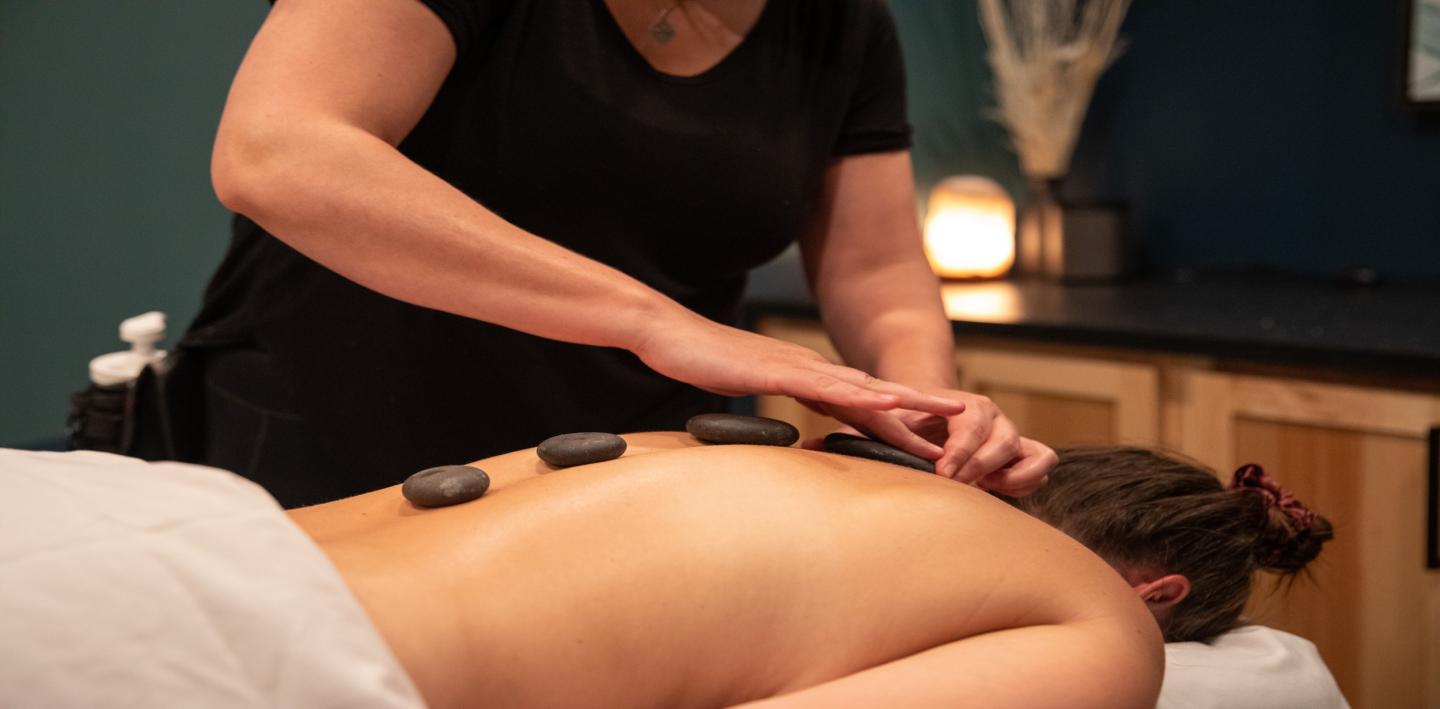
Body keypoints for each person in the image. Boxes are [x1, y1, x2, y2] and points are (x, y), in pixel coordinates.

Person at [181, 0, 1054, 506]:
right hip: (340, 426)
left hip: (631, 463)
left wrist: (922, 408)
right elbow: (276, 152)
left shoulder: (841, 23)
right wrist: (651, 320)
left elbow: (877, 272)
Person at [1, 436, 1161, 708]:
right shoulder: (1101, 620)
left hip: (104, 510)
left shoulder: (747, 446)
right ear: (1159, 593)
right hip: (213, 656)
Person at [1008, 447, 1347, 708]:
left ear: (1158, 595)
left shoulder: (1132, 686)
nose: (1001, 578)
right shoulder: (1286, 654)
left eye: (1036, 569)